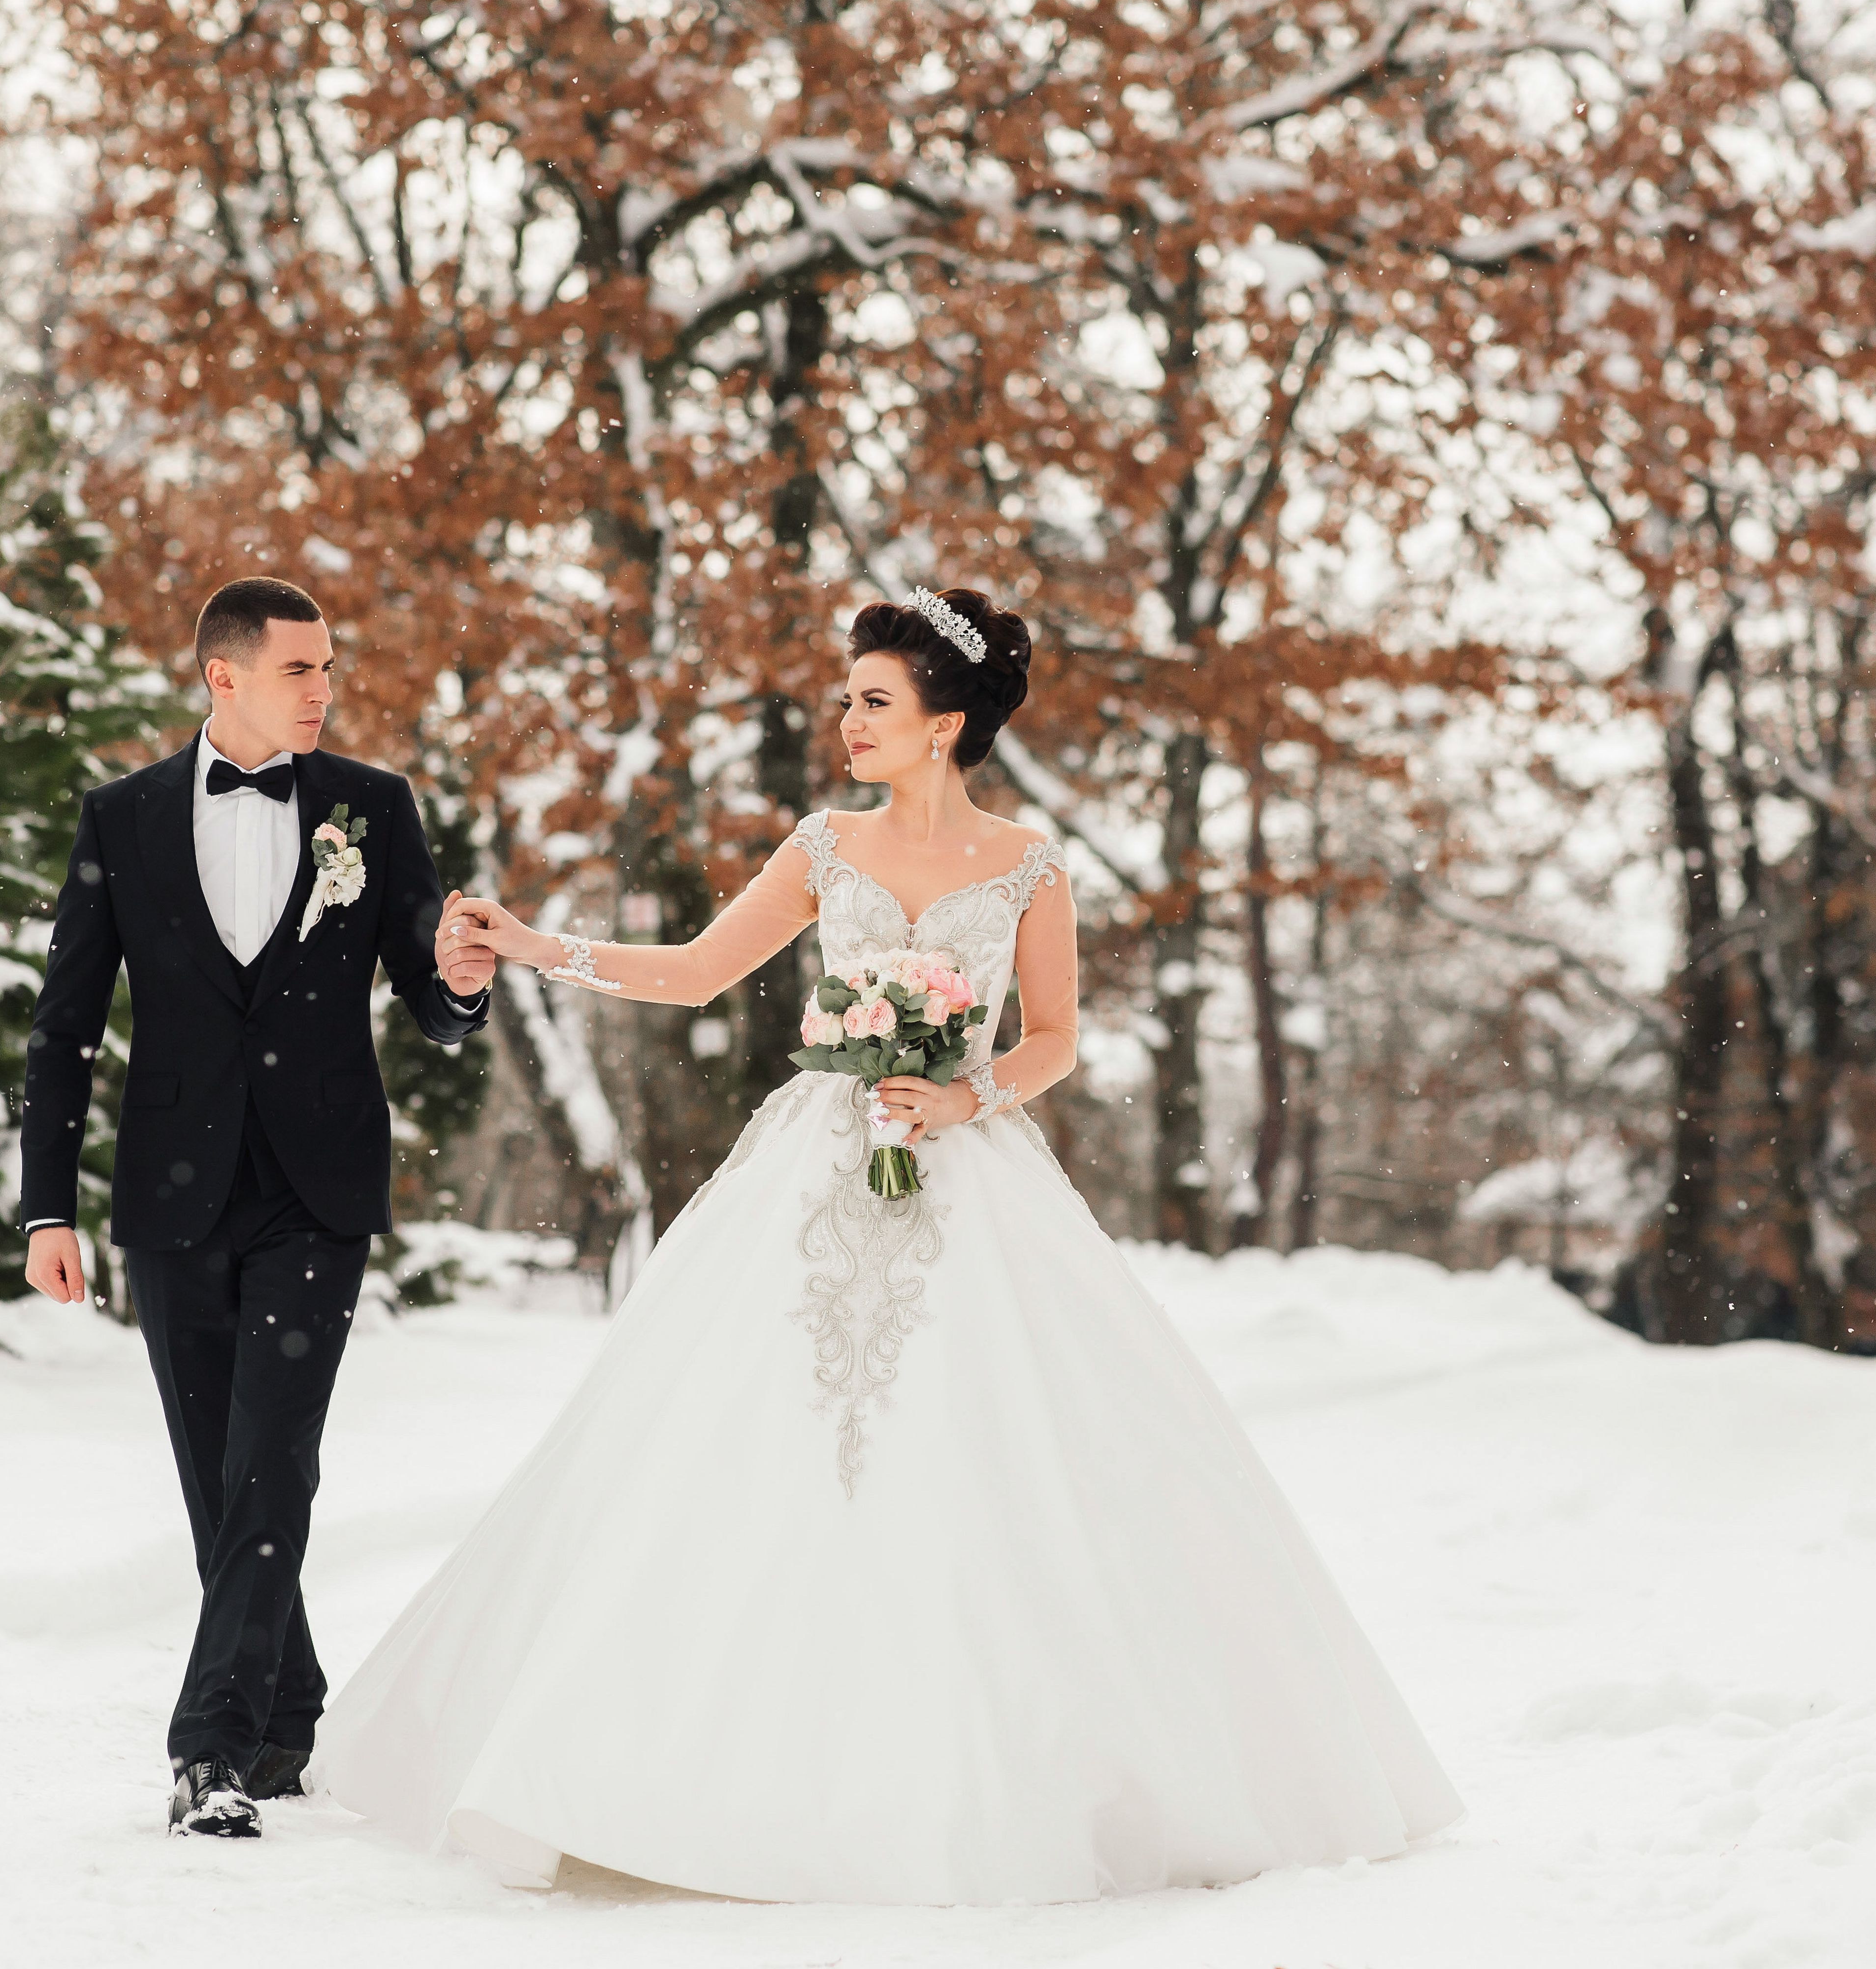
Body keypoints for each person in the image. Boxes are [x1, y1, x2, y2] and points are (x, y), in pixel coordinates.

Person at [315, 585, 1458, 1903]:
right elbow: (695, 971)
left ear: (947, 722)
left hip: (971, 1177)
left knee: (988, 1451)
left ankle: (1000, 1777)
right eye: (847, 697)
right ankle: (666, 1773)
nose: (847, 719)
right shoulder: (821, 845)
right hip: (811, 1175)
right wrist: (533, 948)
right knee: (742, 1445)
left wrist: (967, 1096)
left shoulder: (1028, 863)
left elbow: (1054, 1037)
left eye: (874, 700)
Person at [15, 576, 496, 1839]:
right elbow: (64, 1029)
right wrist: (44, 1210)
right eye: (301, 671)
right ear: (222, 677)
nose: (325, 692)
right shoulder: (119, 818)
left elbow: (430, 995)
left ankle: (209, 1749)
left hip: (317, 1186)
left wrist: (458, 982)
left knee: (274, 1457)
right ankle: (291, 1712)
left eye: (329, 669)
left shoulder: (373, 810)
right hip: (171, 1193)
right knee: (215, 1478)